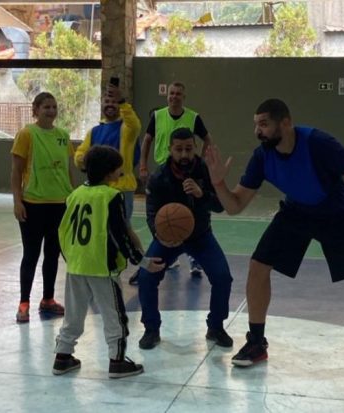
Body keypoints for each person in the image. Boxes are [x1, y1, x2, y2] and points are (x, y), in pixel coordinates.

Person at [205, 98, 344, 379]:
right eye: (256, 125)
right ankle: (256, 343)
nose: (258, 131)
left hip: (337, 214)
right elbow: (235, 206)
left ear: (285, 123)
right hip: (296, 212)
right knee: (258, 266)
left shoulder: (319, 144)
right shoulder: (262, 157)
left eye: (264, 124)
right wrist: (218, 182)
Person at [53, 145, 164, 378]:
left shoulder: (75, 194)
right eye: (118, 169)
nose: (121, 172)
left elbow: (62, 231)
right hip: (102, 267)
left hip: (76, 265)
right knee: (115, 316)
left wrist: (70, 258)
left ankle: (62, 357)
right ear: (108, 172)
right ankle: (117, 361)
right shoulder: (111, 196)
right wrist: (142, 262)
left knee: (73, 315)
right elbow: (119, 235)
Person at [136, 127, 233, 350]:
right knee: (145, 277)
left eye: (188, 149)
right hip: (168, 239)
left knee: (223, 278)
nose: (184, 154)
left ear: (195, 148)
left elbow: (220, 206)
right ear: (170, 149)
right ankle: (151, 329)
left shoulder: (207, 171)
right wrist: (159, 234)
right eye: (178, 149)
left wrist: (202, 194)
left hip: (200, 236)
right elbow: (152, 213)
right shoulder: (159, 177)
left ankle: (215, 327)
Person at [138, 81, 214, 279]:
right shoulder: (158, 116)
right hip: (164, 175)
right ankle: (167, 254)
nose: (174, 97)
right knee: (166, 215)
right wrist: (143, 165)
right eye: (171, 93)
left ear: (184, 97)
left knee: (191, 213)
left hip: (187, 171)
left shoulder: (193, 117)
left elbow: (207, 138)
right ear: (167, 96)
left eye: (178, 94)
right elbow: (147, 140)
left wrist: (201, 160)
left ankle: (194, 256)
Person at [11, 92, 74, 324]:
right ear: (35, 110)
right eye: (46, 107)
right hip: (33, 204)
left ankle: (48, 299)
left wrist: (72, 197)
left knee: (53, 254)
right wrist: (17, 201)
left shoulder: (63, 136)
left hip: (60, 205)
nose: (51, 111)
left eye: (54, 107)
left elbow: (68, 170)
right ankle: (24, 303)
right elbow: (16, 171)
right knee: (31, 254)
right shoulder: (27, 134)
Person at [74, 83, 144, 282]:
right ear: (102, 104)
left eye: (114, 101)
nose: (110, 104)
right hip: (98, 190)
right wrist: (86, 159)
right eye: (107, 101)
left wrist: (123, 101)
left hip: (121, 189)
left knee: (124, 228)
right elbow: (79, 156)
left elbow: (135, 124)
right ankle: (103, 262)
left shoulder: (126, 129)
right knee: (101, 228)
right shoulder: (94, 131)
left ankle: (143, 265)